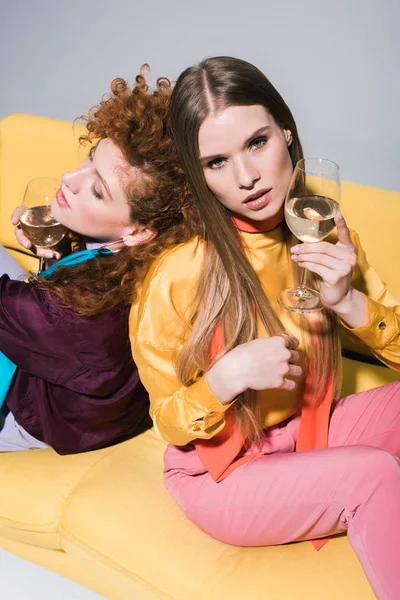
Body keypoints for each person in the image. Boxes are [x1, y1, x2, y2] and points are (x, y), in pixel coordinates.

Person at [129, 56, 400, 600]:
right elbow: (170, 423)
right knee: (375, 476)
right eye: (216, 162)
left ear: (287, 133)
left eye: (257, 143)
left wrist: (348, 302)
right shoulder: (178, 274)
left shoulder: (322, 228)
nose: (247, 178)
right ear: (197, 172)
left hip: (306, 428)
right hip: (221, 469)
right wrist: (224, 379)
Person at [0, 67, 196, 454]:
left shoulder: (83, 308)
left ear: (140, 231)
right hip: (66, 377)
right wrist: (55, 252)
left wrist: (48, 280)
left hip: (30, 416)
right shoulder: (135, 261)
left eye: (97, 190)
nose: (70, 177)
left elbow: (55, 317)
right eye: (89, 160)